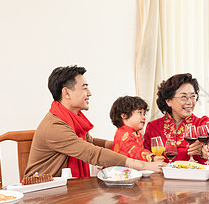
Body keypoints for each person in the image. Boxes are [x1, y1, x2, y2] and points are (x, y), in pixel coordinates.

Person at [24, 66, 164, 178]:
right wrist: (143, 165)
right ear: (66, 93)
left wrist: (115, 143)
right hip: (43, 191)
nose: (89, 93)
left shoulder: (72, 119)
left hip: (63, 186)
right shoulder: (55, 126)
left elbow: (89, 142)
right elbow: (91, 153)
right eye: (84, 87)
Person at [143, 73, 209, 163]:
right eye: (184, 97)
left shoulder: (203, 124)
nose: (190, 102)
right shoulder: (153, 127)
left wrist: (204, 150)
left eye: (193, 96)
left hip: (194, 176)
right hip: (162, 176)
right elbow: (145, 157)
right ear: (168, 101)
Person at [109, 96, 164, 162]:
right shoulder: (123, 133)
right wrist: (151, 157)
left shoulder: (136, 133)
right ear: (124, 116)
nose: (144, 117)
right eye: (140, 113)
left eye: (144, 114)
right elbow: (133, 151)